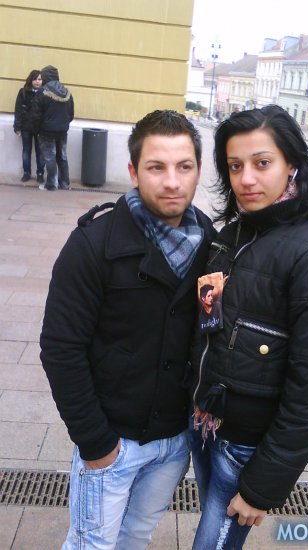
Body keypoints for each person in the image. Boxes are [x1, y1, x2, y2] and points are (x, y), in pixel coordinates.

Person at [40, 109, 215, 549]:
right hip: (112, 442)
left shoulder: (209, 241)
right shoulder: (93, 245)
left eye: (184, 167)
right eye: (157, 167)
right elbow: (61, 348)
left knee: (136, 537)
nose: (172, 182)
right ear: (134, 172)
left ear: (198, 170)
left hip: (173, 443)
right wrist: (96, 443)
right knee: (92, 544)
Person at [189, 105, 308, 549]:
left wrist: (262, 486)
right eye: (235, 166)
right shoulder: (232, 235)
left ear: (292, 165)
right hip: (207, 427)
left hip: (245, 450)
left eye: (262, 163)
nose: (246, 179)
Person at [31, 65, 74, 191]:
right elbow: (71, 114)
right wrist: (64, 124)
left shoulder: (42, 92)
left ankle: (51, 184)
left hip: (46, 131)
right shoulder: (67, 92)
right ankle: (65, 183)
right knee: (62, 157)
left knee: (50, 157)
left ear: (45, 77)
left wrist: (36, 130)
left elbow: (36, 114)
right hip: (63, 130)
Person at [13, 69, 45, 183]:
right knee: (26, 150)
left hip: (40, 128)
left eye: (39, 79)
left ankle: (40, 173)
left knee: (40, 152)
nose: (37, 81)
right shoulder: (23, 92)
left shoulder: (45, 93)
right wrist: (17, 127)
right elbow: (18, 109)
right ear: (30, 80)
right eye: (35, 79)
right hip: (26, 127)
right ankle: (26, 172)